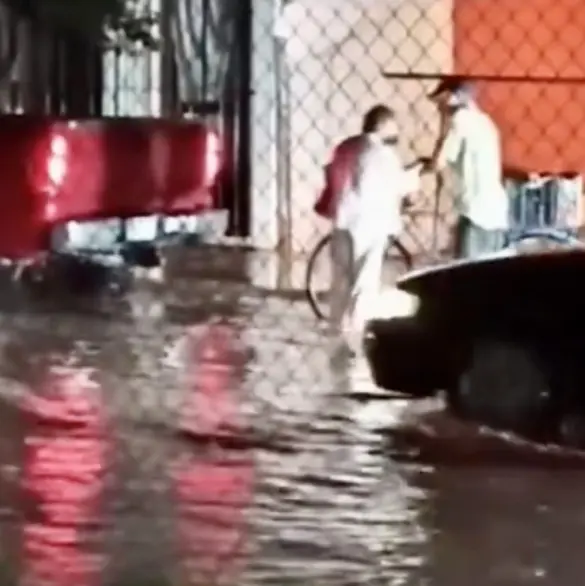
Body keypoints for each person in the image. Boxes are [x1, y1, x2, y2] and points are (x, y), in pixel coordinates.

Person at [324, 104, 421, 340]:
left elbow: (332, 174)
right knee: (363, 285)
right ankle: (355, 337)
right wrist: (415, 175)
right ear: (384, 126)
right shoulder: (384, 154)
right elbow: (404, 188)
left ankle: (336, 331)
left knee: (340, 282)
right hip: (370, 226)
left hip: (342, 222)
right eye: (394, 126)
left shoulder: (345, 147)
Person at [423, 77, 509, 258]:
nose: (439, 109)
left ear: (450, 98)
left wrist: (443, 128)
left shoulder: (459, 121)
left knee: (466, 272)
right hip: (497, 212)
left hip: (474, 211)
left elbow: (438, 162)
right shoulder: (487, 123)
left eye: (441, 103)